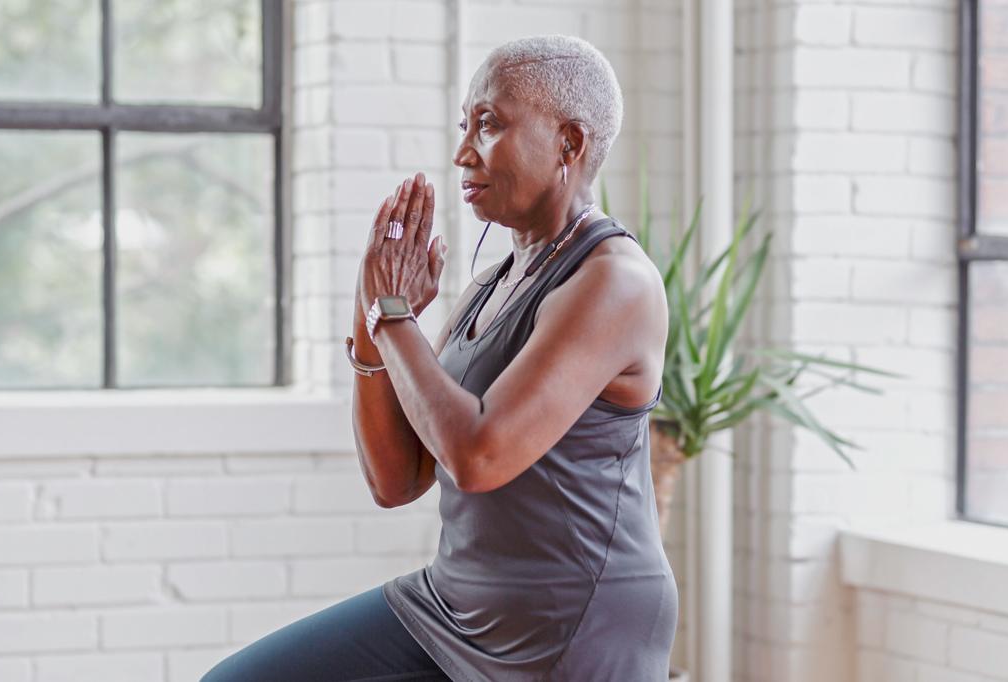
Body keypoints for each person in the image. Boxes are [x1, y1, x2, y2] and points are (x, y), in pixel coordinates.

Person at [201, 34, 675, 682]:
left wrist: (393, 315)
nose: (462, 153)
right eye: (464, 127)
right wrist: (374, 318)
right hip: (454, 605)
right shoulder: (489, 284)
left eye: (489, 125)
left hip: (575, 622)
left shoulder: (613, 280)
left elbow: (479, 456)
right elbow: (398, 481)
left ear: (569, 143)